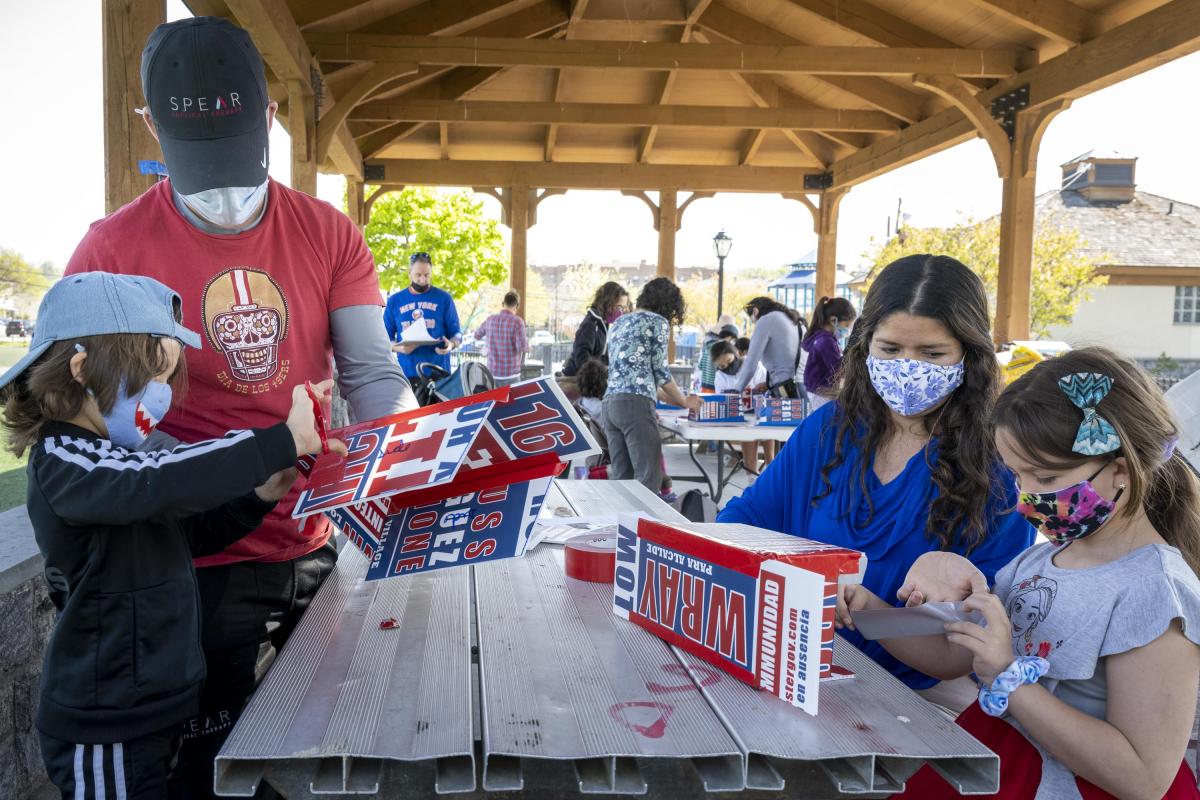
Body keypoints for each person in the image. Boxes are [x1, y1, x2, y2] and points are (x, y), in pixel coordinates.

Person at [63, 17, 414, 797]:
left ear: (267, 119)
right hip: (199, 566)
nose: (224, 190)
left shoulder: (329, 230)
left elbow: (372, 372)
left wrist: (402, 455)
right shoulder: (108, 251)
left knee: (328, 762)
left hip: (319, 547)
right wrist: (243, 472)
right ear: (151, 126)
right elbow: (105, 429)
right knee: (214, 776)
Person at [0, 273, 341, 799]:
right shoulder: (64, 460)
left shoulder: (121, 459)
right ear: (81, 368)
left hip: (160, 706)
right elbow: (160, 480)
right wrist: (279, 439)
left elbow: (191, 533)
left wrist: (264, 492)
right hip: (107, 723)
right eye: (150, 377)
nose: (161, 396)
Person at [844, 348, 1200, 799]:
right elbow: (957, 657)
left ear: (1120, 471)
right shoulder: (1038, 562)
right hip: (1002, 763)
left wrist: (1010, 677)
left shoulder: (1155, 591)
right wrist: (869, 611)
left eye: (1045, 479)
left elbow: (1143, 778)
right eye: (1016, 477)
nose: (1023, 499)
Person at [718, 255, 1035, 709]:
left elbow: (962, 648)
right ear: (865, 346)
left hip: (917, 703)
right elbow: (740, 525)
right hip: (792, 672)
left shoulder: (998, 470)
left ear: (970, 355)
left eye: (931, 354)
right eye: (890, 350)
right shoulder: (829, 429)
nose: (908, 368)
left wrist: (868, 612)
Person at [603, 277, 701, 493]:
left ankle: (620, 525)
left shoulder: (619, 322)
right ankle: (641, 526)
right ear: (668, 304)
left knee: (622, 480)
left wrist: (678, 402)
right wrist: (685, 401)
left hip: (610, 404)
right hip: (634, 407)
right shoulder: (658, 322)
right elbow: (661, 372)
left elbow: (639, 378)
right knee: (648, 479)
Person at [385, 252, 463, 381]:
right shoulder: (394, 301)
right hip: (406, 375)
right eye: (418, 275)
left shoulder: (444, 299)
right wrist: (399, 348)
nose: (422, 280)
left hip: (439, 375)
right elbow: (384, 339)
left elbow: (457, 334)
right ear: (409, 273)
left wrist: (452, 345)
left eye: (427, 275)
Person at [712, 339, 775, 476]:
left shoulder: (753, 365)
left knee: (766, 435)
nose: (728, 366)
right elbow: (722, 400)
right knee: (747, 436)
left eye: (729, 361)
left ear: (736, 354)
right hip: (739, 417)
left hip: (761, 412)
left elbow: (766, 387)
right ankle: (751, 476)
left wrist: (756, 391)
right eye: (722, 366)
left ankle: (772, 472)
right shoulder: (719, 376)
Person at [735, 297, 806, 398]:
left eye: (752, 320)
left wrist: (736, 391)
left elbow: (751, 363)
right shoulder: (788, 318)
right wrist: (768, 384)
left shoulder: (766, 320)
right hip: (799, 385)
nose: (754, 324)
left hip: (785, 389)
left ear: (755, 312)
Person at [561, 281, 628, 377]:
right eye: (619, 307)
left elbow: (603, 356)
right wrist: (601, 371)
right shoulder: (590, 324)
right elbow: (582, 357)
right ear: (607, 303)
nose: (621, 312)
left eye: (624, 308)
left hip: (593, 379)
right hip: (576, 380)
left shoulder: (606, 325)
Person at [803, 296, 857, 410]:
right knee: (825, 423)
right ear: (833, 320)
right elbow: (837, 368)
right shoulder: (826, 341)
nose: (847, 330)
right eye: (846, 325)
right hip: (822, 392)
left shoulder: (821, 338)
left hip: (817, 391)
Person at [473, 290, 528, 386]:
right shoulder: (517, 322)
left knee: (494, 401)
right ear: (517, 305)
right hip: (511, 374)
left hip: (492, 373)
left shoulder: (490, 319)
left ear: (503, 303)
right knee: (512, 401)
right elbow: (522, 348)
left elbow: (476, 335)